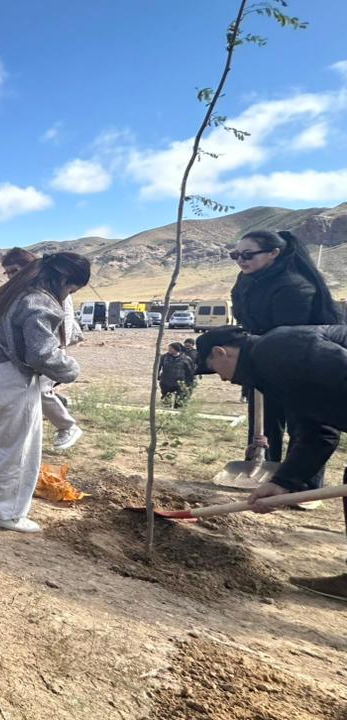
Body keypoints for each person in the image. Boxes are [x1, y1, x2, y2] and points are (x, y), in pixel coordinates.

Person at [194, 325, 347, 601]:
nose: (223, 379)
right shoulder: (273, 371)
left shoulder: (278, 348)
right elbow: (318, 432)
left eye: (214, 370)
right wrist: (282, 482)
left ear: (220, 353)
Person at [0, 252, 91, 533]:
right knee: (21, 451)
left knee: (4, 443)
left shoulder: (6, 293)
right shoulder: (37, 299)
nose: (67, 296)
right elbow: (41, 353)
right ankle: (7, 513)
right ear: (64, 279)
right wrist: (71, 370)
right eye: (71, 290)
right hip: (12, 380)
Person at [230, 230, 341, 492]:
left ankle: (304, 482)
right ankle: (270, 469)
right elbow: (242, 313)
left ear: (274, 253)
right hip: (264, 354)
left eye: (248, 255)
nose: (241, 260)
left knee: (304, 422)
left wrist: (263, 350)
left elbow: (292, 334)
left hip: (303, 361)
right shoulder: (245, 280)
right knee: (265, 420)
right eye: (236, 255)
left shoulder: (295, 286)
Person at [1, 248, 84, 450]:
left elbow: (65, 320)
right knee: (39, 393)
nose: (11, 276)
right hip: (33, 349)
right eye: (7, 272)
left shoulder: (49, 291)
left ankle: (67, 427)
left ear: (29, 267)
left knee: (43, 391)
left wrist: (58, 348)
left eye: (14, 270)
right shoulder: (22, 291)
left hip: (48, 347)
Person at [158, 342, 193, 408]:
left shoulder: (186, 359)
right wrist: (158, 376)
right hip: (166, 382)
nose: (169, 350)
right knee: (166, 401)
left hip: (180, 382)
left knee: (179, 402)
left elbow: (190, 371)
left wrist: (189, 382)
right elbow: (158, 367)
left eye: (171, 348)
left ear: (176, 349)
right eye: (169, 348)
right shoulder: (164, 357)